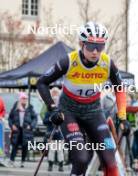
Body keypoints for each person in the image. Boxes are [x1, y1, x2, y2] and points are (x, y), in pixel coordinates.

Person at [37, 21, 130, 176]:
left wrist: (123, 117)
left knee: (110, 160)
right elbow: (42, 82)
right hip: (69, 112)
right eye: (91, 46)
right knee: (81, 158)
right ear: (81, 43)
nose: (95, 52)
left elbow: (120, 89)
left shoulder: (107, 63)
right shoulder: (69, 61)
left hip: (94, 112)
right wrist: (52, 108)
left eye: (100, 47)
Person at [8, 92, 37, 168]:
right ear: (20, 99)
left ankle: (22, 162)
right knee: (14, 146)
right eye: (23, 98)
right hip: (17, 130)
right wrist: (12, 126)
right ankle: (11, 161)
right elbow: (10, 118)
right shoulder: (15, 107)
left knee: (25, 146)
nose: (25, 100)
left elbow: (35, 118)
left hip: (26, 131)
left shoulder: (30, 107)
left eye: (26, 98)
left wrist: (31, 126)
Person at [41, 87, 64, 172]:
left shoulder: (61, 112)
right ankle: (50, 165)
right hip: (51, 133)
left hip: (60, 134)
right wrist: (50, 119)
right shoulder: (49, 112)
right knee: (52, 151)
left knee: (60, 151)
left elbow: (64, 121)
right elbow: (45, 121)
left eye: (56, 101)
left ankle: (61, 166)